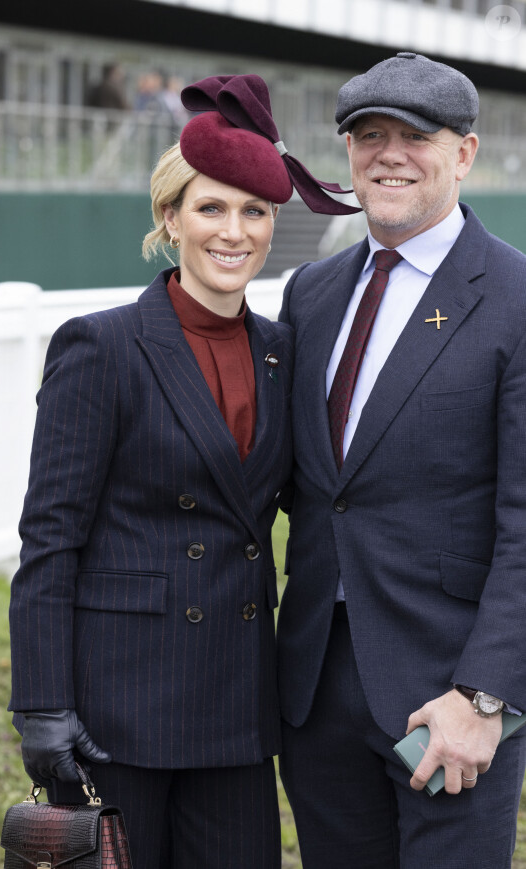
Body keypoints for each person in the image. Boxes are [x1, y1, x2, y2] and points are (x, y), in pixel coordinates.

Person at [7, 73, 354, 868]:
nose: (234, 232)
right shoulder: (101, 346)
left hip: (236, 704)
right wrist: (42, 706)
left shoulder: (283, 351)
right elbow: (50, 539)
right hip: (115, 704)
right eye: (211, 207)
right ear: (170, 218)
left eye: (255, 211)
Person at [277, 51, 526, 868]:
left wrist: (487, 696)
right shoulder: (310, 292)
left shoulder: (516, 300)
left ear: (464, 153)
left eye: (415, 136)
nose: (388, 154)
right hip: (316, 687)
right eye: (368, 134)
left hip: (447, 692)